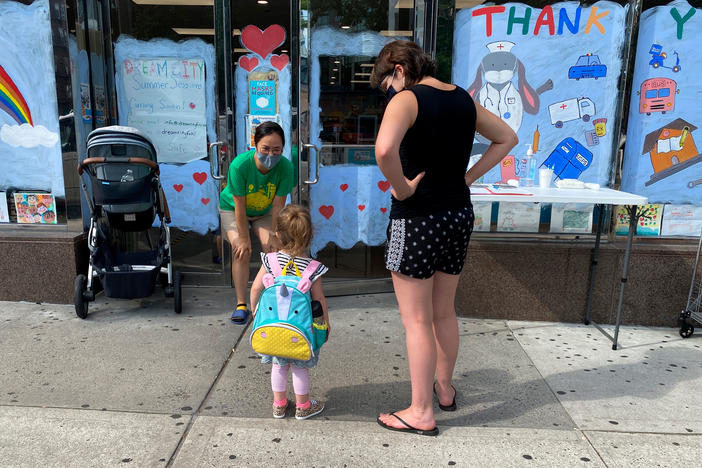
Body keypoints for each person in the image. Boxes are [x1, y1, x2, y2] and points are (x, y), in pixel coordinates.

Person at [370, 40, 518, 436]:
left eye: (386, 84)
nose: (388, 93)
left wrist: (401, 187)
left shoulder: (407, 99)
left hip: (417, 218)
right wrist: (467, 178)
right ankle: (445, 389)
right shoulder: (463, 101)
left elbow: (384, 149)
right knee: (443, 311)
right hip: (458, 214)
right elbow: (507, 137)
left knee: (416, 320)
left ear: (399, 68)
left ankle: (420, 411)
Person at [249, 204, 330, 419]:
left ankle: (279, 405)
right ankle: (303, 407)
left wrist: (255, 312)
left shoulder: (270, 261)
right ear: (311, 234)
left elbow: (256, 288)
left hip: (273, 328)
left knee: (279, 365)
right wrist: (325, 324)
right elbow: (318, 300)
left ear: (277, 234)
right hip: (301, 329)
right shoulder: (312, 268)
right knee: (299, 367)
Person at [219, 121, 294, 324]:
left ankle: (276, 298)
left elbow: (279, 205)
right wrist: (243, 238)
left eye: (276, 150)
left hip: (265, 212)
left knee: (274, 250)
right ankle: (242, 303)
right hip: (233, 209)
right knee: (241, 250)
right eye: (265, 149)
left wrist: (274, 234)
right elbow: (239, 206)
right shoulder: (240, 165)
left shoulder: (286, 168)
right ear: (255, 145)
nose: (270, 155)